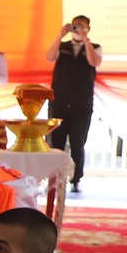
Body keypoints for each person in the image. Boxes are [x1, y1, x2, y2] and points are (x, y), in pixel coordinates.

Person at [47, 15, 102, 191]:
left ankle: (76, 179)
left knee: (78, 142)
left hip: (82, 102)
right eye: (76, 26)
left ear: (88, 28)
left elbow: (94, 61)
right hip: (60, 100)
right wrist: (59, 36)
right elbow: (49, 57)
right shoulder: (62, 46)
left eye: (83, 26)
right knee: (56, 141)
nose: (79, 29)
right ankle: (54, 176)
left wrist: (85, 40)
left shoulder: (94, 47)